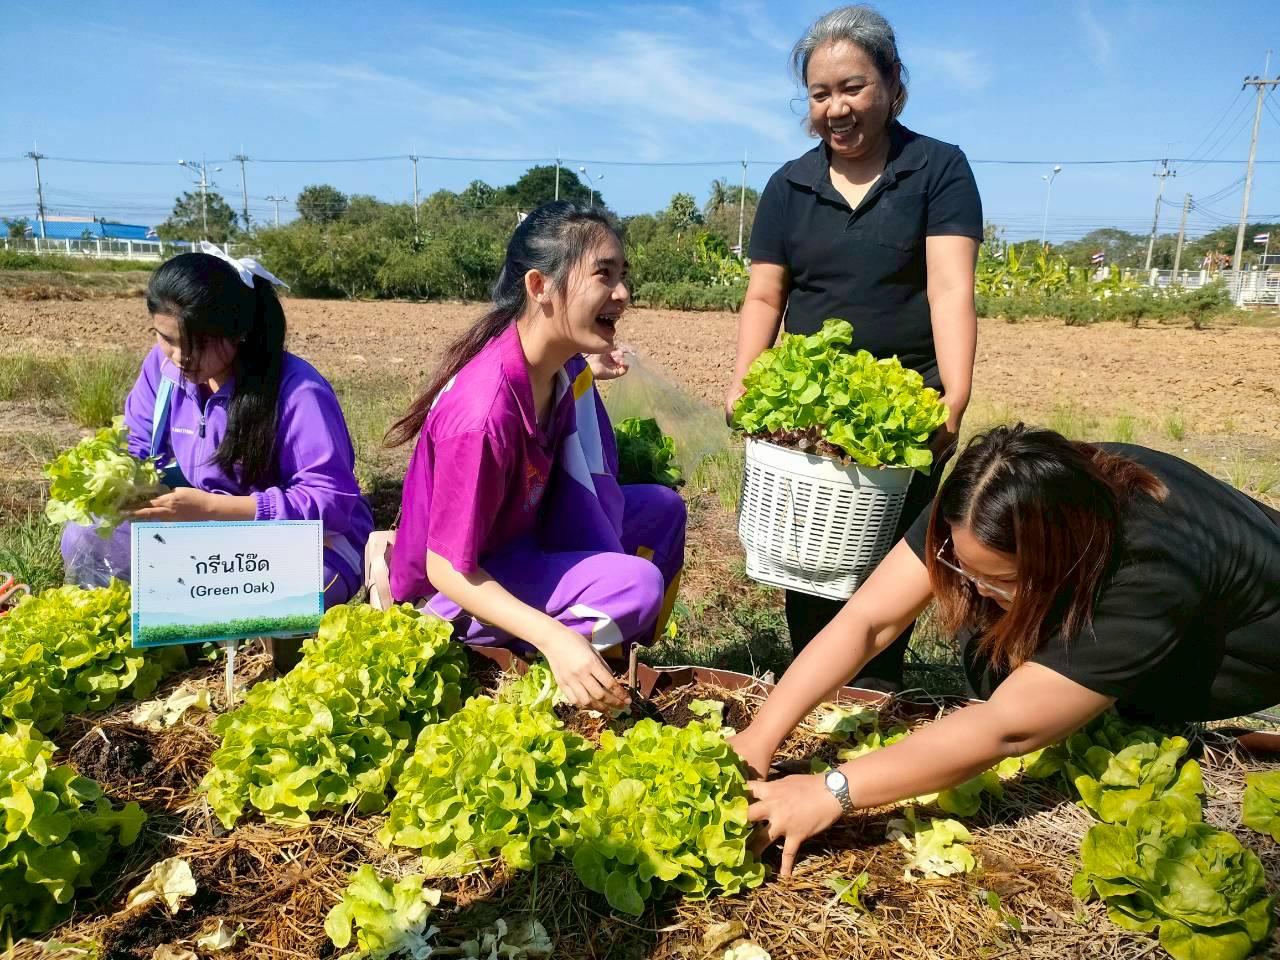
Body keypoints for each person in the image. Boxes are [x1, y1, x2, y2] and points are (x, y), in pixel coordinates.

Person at [732, 425, 1280, 876]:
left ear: (1064, 558)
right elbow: (870, 620)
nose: (968, 589)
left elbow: (1009, 728)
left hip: (1251, 642)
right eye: (959, 567)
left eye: (998, 579)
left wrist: (832, 790)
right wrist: (762, 732)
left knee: (1081, 704)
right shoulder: (990, 496)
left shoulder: (1146, 571)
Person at [726, 4, 983, 690]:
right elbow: (764, 298)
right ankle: (810, 684)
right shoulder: (789, 186)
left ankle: (876, 691)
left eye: (853, 87)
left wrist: (952, 397)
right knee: (810, 560)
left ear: (893, 85)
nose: (836, 108)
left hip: (905, 408)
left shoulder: (937, 170)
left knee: (892, 565)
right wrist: (745, 382)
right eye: (820, 94)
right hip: (809, 422)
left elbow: (951, 288)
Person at [386, 201, 686, 713]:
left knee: (661, 509)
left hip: (522, 537)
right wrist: (553, 637)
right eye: (604, 275)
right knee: (636, 586)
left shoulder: (556, 368)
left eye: (624, 275)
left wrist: (589, 360)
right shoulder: (482, 415)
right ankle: (536, 663)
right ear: (540, 287)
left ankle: (605, 658)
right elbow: (445, 567)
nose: (623, 294)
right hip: (456, 587)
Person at [61, 246, 374, 622]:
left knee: (265, 597)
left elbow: (330, 504)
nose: (180, 357)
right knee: (87, 536)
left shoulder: (297, 392)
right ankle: (183, 612)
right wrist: (123, 485)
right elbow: (137, 446)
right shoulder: (161, 371)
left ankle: (194, 615)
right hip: (203, 528)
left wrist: (209, 508)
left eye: (199, 343)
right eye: (167, 339)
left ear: (239, 332)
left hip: (301, 539)